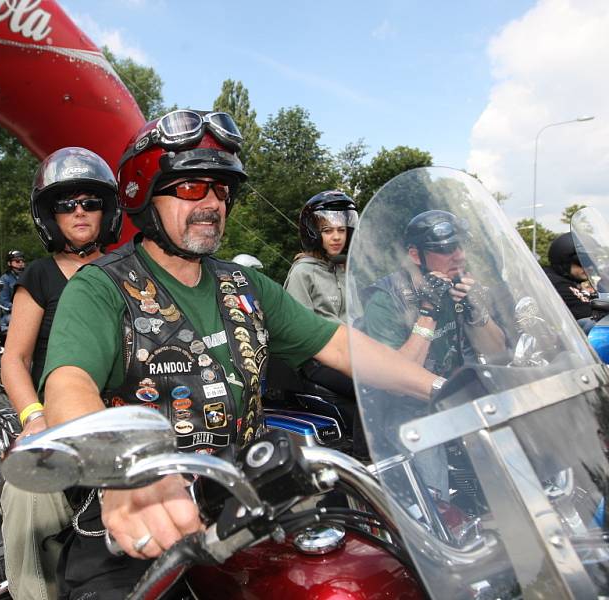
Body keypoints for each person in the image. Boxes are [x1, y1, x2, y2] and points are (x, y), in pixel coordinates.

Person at [39, 109, 439, 599]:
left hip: (250, 498)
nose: (211, 203)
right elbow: (67, 383)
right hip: (141, 514)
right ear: (143, 195)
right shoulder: (101, 287)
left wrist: (442, 388)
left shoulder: (244, 284)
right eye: (190, 189)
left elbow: (339, 344)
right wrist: (123, 473)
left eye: (221, 190)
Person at [0, 147, 122, 600]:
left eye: (90, 201)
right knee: (27, 494)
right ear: (49, 216)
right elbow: (14, 358)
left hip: (122, 415)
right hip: (58, 419)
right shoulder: (40, 275)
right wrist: (33, 417)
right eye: (65, 204)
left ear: (106, 210)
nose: (79, 212)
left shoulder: (126, 269)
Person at [360, 209, 506, 496]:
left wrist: (478, 310)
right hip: (407, 407)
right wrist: (428, 312)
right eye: (446, 249)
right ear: (416, 255)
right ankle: (438, 523)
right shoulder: (385, 299)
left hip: (454, 395)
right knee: (433, 486)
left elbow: (497, 351)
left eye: (460, 246)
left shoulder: (458, 285)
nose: (459, 256)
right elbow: (396, 380)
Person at [284, 190, 364, 454]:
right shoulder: (303, 272)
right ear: (314, 233)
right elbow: (298, 331)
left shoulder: (345, 271)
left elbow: (359, 321)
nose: (336, 237)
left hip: (350, 352)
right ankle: (366, 461)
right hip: (317, 358)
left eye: (341, 229)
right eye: (328, 230)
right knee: (374, 387)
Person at [545, 232, 595, 332]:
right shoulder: (555, 283)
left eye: (591, 261)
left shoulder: (566, 280)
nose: (589, 267)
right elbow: (587, 313)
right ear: (564, 261)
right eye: (582, 261)